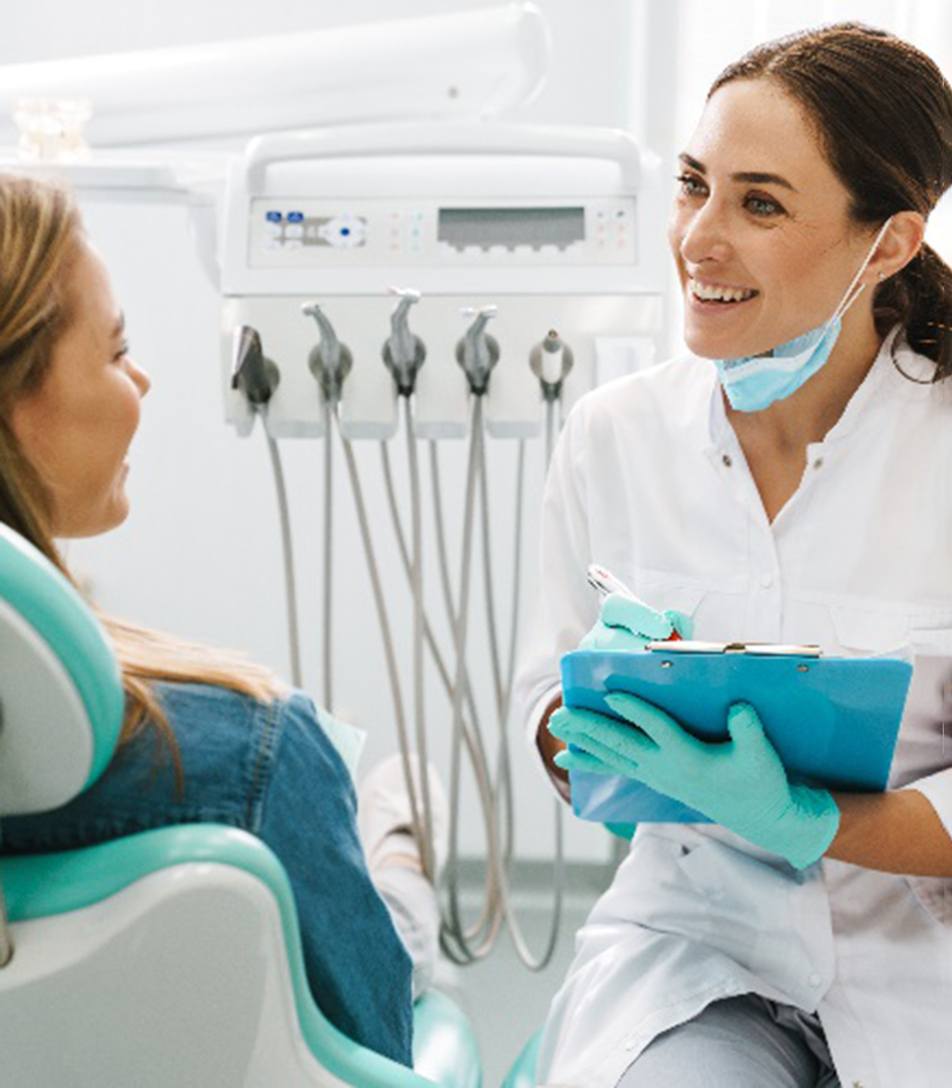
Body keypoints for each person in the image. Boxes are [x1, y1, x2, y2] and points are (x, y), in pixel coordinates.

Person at [514, 22, 952, 1088]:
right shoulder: (614, 437)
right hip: (697, 956)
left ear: (887, 243)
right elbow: (542, 705)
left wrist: (809, 819)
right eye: (692, 185)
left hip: (921, 972)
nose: (698, 238)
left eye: (758, 203)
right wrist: (584, 726)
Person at [0, 173, 444, 1069]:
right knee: (401, 898)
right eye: (116, 350)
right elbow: (379, 1046)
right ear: (15, 401)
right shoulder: (252, 753)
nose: (143, 380)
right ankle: (396, 827)